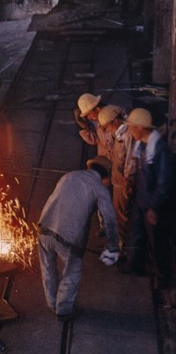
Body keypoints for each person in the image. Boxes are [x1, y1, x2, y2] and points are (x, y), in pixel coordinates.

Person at [38, 156, 119, 320]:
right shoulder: (100, 188)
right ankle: (64, 310)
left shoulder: (69, 176)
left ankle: (52, 302)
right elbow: (109, 220)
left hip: (44, 228)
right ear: (105, 176)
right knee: (72, 272)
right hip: (69, 238)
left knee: (48, 268)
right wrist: (113, 246)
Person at [124, 108, 175, 295]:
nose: (129, 131)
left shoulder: (160, 150)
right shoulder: (143, 146)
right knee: (136, 234)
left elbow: (165, 183)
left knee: (158, 243)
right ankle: (134, 266)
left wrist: (153, 207)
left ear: (140, 128)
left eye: (131, 127)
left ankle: (164, 279)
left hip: (155, 206)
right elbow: (141, 174)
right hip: (141, 201)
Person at [97, 105, 137, 256]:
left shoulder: (127, 135)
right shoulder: (119, 134)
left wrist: (128, 182)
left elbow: (131, 161)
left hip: (124, 184)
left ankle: (124, 252)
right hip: (118, 182)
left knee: (123, 219)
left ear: (114, 121)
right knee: (119, 217)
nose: (106, 130)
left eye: (106, 127)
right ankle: (121, 247)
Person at [74, 93, 114, 159]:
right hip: (106, 162)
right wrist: (83, 127)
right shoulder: (97, 120)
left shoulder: (115, 117)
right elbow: (93, 140)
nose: (89, 118)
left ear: (97, 109)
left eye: (89, 114)